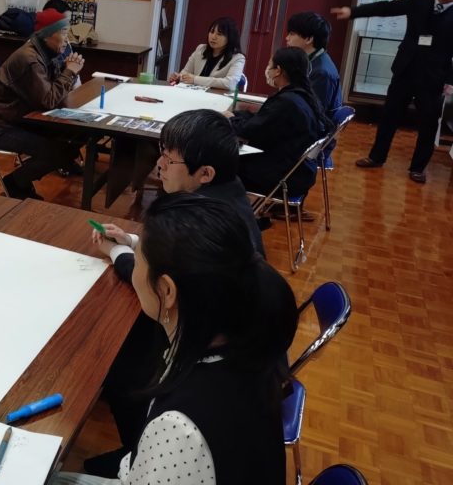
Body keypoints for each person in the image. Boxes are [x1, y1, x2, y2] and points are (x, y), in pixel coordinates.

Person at [57, 193, 297, 485]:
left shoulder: (179, 428)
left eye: (139, 258)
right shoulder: (249, 338)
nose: (135, 265)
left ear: (167, 291)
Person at [84, 110, 264, 474]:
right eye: (162, 153)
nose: (160, 164)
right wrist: (132, 241)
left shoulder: (207, 219)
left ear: (205, 173)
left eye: (170, 158)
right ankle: (136, 446)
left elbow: (161, 275)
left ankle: (137, 445)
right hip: (224, 341)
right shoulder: (224, 199)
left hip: (207, 344)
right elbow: (175, 263)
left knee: (116, 357)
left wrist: (119, 252)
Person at [331, 0, 453, 183]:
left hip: (433, 78)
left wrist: (450, 81)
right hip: (405, 70)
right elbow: (386, 8)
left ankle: (418, 168)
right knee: (389, 116)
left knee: (428, 125)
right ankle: (376, 157)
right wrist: (353, 12)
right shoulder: (419, 0)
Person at [0, 8, 84, 199]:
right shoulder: (29, 59)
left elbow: (52, 92)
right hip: (2, 126)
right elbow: (49, 100)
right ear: (47, 35)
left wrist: (66, 69)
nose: (68, 39)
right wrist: (70, 71)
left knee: (73, 139)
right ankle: (15, 183)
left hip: (23, 118)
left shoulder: (46, 52)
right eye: (63, 33)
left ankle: (22, 181)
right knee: (57, 152)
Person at [227, 47, 332, 198]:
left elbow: (249, 131)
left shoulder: (286, 102)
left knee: (220, 160)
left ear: (278, 71)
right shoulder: (303, 95)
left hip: (281, 177)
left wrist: (230, 118)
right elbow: (262, 120)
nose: (267, 70)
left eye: (269, 65)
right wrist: (237, 115)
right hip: (297, 171)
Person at [285, 11, 342, 114]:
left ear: (308, 39)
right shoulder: (310, 60)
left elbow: (312, 113)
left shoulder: (322, 73)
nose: (287, 38)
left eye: (292, 34)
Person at [170, 16, 246, 89]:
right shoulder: (200, 49)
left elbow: (230, 84)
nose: (213, 37)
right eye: (212, 32)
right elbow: (185, 72)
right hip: (192, 93)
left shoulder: (238, 58)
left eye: (219, 34)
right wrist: (179, 77)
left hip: (215, 96)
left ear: (230, 37)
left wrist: (195, 79)